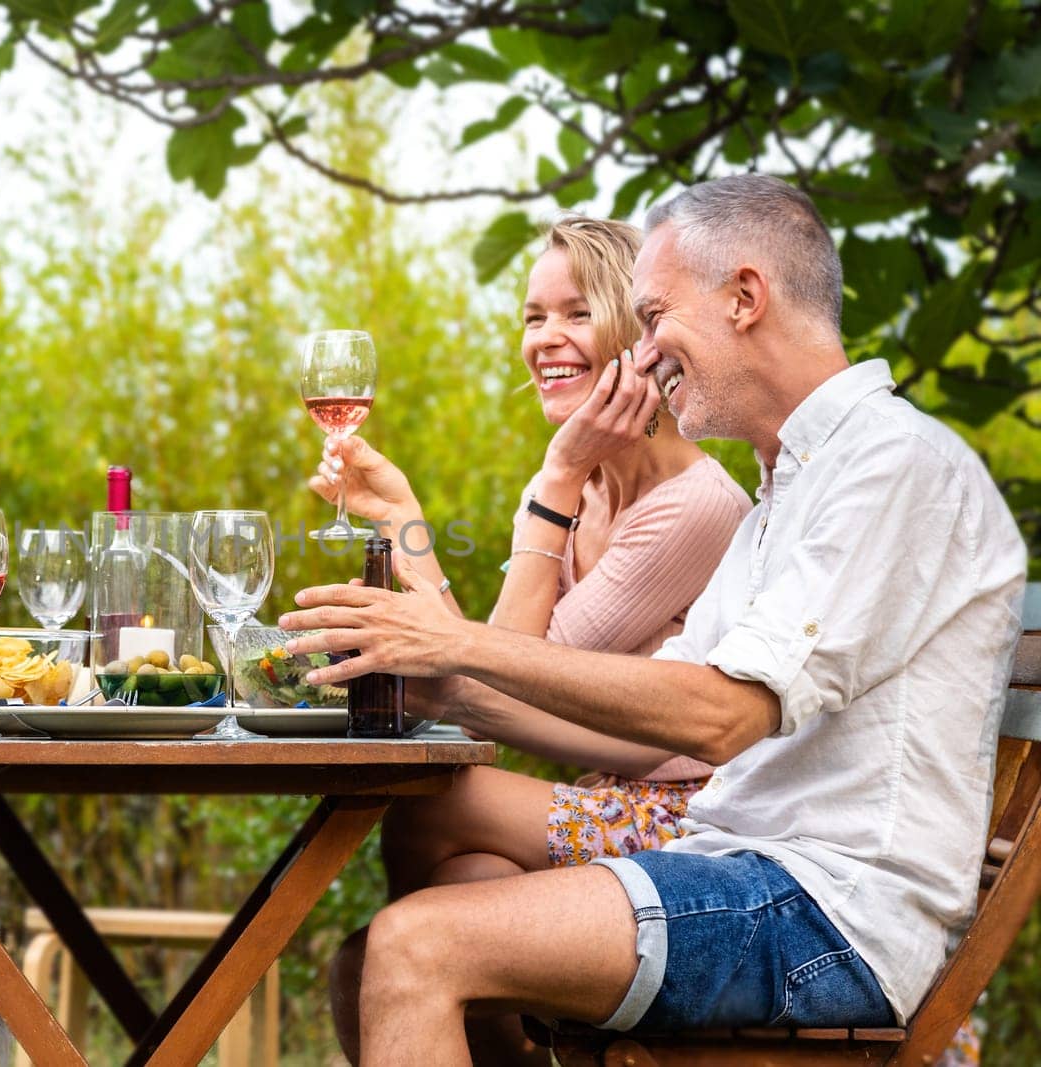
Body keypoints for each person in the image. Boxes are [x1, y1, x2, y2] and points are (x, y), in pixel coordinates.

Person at [283, 174, 1027, 1065]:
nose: (647, 350)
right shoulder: (786, 493)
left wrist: (456, 647)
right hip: (743, 869)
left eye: (653, 314)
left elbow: (721, 716)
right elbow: (654, 722)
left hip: (825, 909)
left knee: (417, 944)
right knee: (399, 934)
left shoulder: (892, 465)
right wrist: (451, 673)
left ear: (744, 297)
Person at [309, 217, 750, 1060]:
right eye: (532, 317)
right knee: (375, 950)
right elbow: (479, 662)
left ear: (638, 332)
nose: (546, 339)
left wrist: (553, 481)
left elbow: (494, 685)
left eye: (576, 314)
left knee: (438, 805)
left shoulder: (691, 506)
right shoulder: (574, 488)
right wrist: (403, 518)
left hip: (695, 828)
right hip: (607, 800)